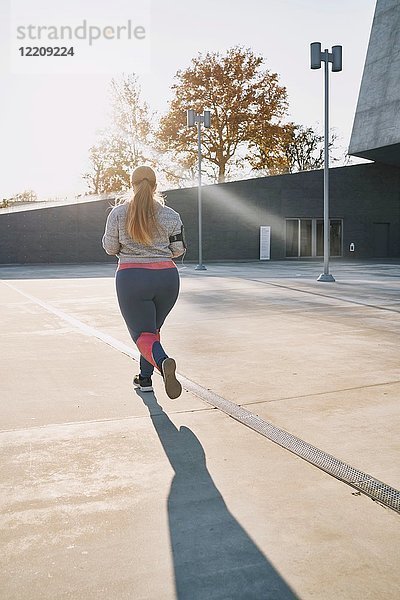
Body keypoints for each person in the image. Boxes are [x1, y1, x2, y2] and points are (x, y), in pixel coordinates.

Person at [102, 165, 186, 399]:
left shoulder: (118, 213)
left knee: (143, 335)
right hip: (167, 279)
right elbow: (178, 249)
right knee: (152, 332)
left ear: (132, 185)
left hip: (132, 278)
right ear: (156, 186)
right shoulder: (171, 215)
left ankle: (163, 362)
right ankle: (145, 379)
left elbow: (110, 248)